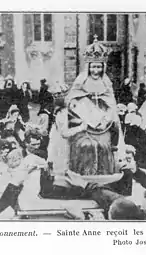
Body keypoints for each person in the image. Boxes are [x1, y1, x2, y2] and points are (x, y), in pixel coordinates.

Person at [57, 35, 122, 176]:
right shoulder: (81, 81)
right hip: (82, 125)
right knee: (86, 146)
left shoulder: (106, 83)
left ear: (103, 67)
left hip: (102, 126)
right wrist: (83, 103)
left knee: (103, 146)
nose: (96, 70)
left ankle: (102, 176)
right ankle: (82, 176)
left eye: (99, 67)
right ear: (88, 67)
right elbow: (71, 100)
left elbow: (112, 105)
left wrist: (106, 118)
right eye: (93, 67)